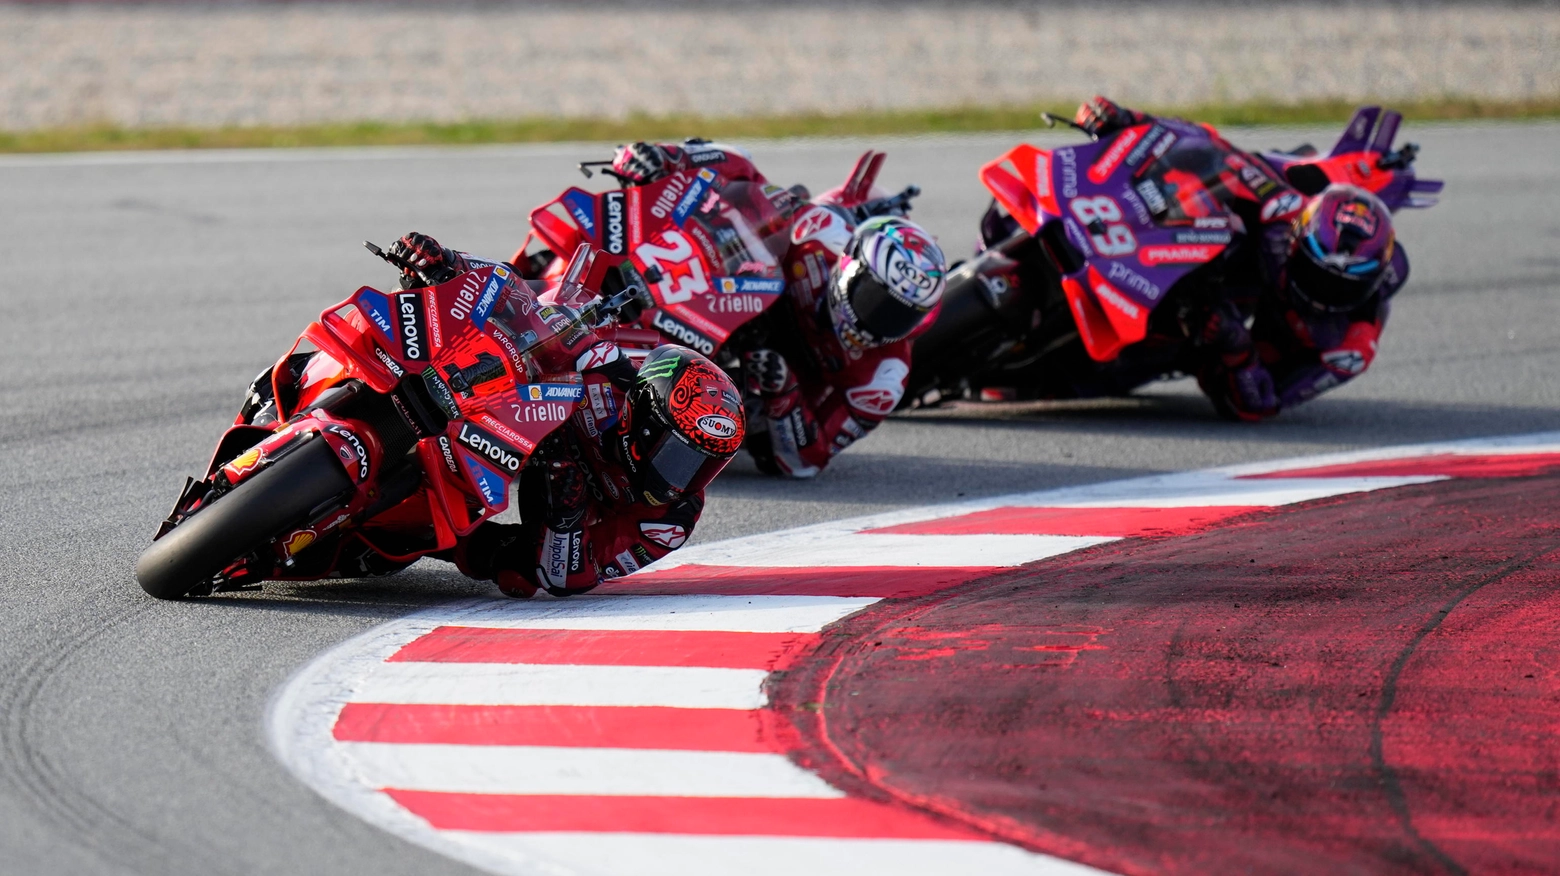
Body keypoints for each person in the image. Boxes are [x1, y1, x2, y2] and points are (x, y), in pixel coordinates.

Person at [244, 231, 745, 598]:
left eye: (703, 465)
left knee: (515, 572)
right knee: (417, 342)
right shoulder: (611, 374)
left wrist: (566, 512)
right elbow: (528, 304)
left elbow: (572, 576)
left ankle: (393, 524)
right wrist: (449, 267)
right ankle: (311, 384)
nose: (687, 478)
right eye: (680, 455)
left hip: (550, 508)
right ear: (646, 418)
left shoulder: (671, 520)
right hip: (508, 414)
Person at [608, 140, 949, 477]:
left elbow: (809, 461)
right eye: (874, 299)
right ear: (850, 265)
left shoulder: (884, 378)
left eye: (899, 316)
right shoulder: (822, 232)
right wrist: (672, 158)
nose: (878, 321)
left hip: (769, 386)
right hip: (730, 296)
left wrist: (784, 394)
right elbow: (745, 172)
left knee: (754, 439)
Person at [1074, 97, 1408, 422]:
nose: (1323, 295)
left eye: (1341, 289)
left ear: (1371, 285)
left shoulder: (1349, 348)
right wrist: (1129, 118)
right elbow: (1211, 144)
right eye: (1316, 275)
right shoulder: (1285, 213)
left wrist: (1237, 348)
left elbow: (1263, 403)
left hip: (1232, 336)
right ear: (1297, 242)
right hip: (1219, 254)